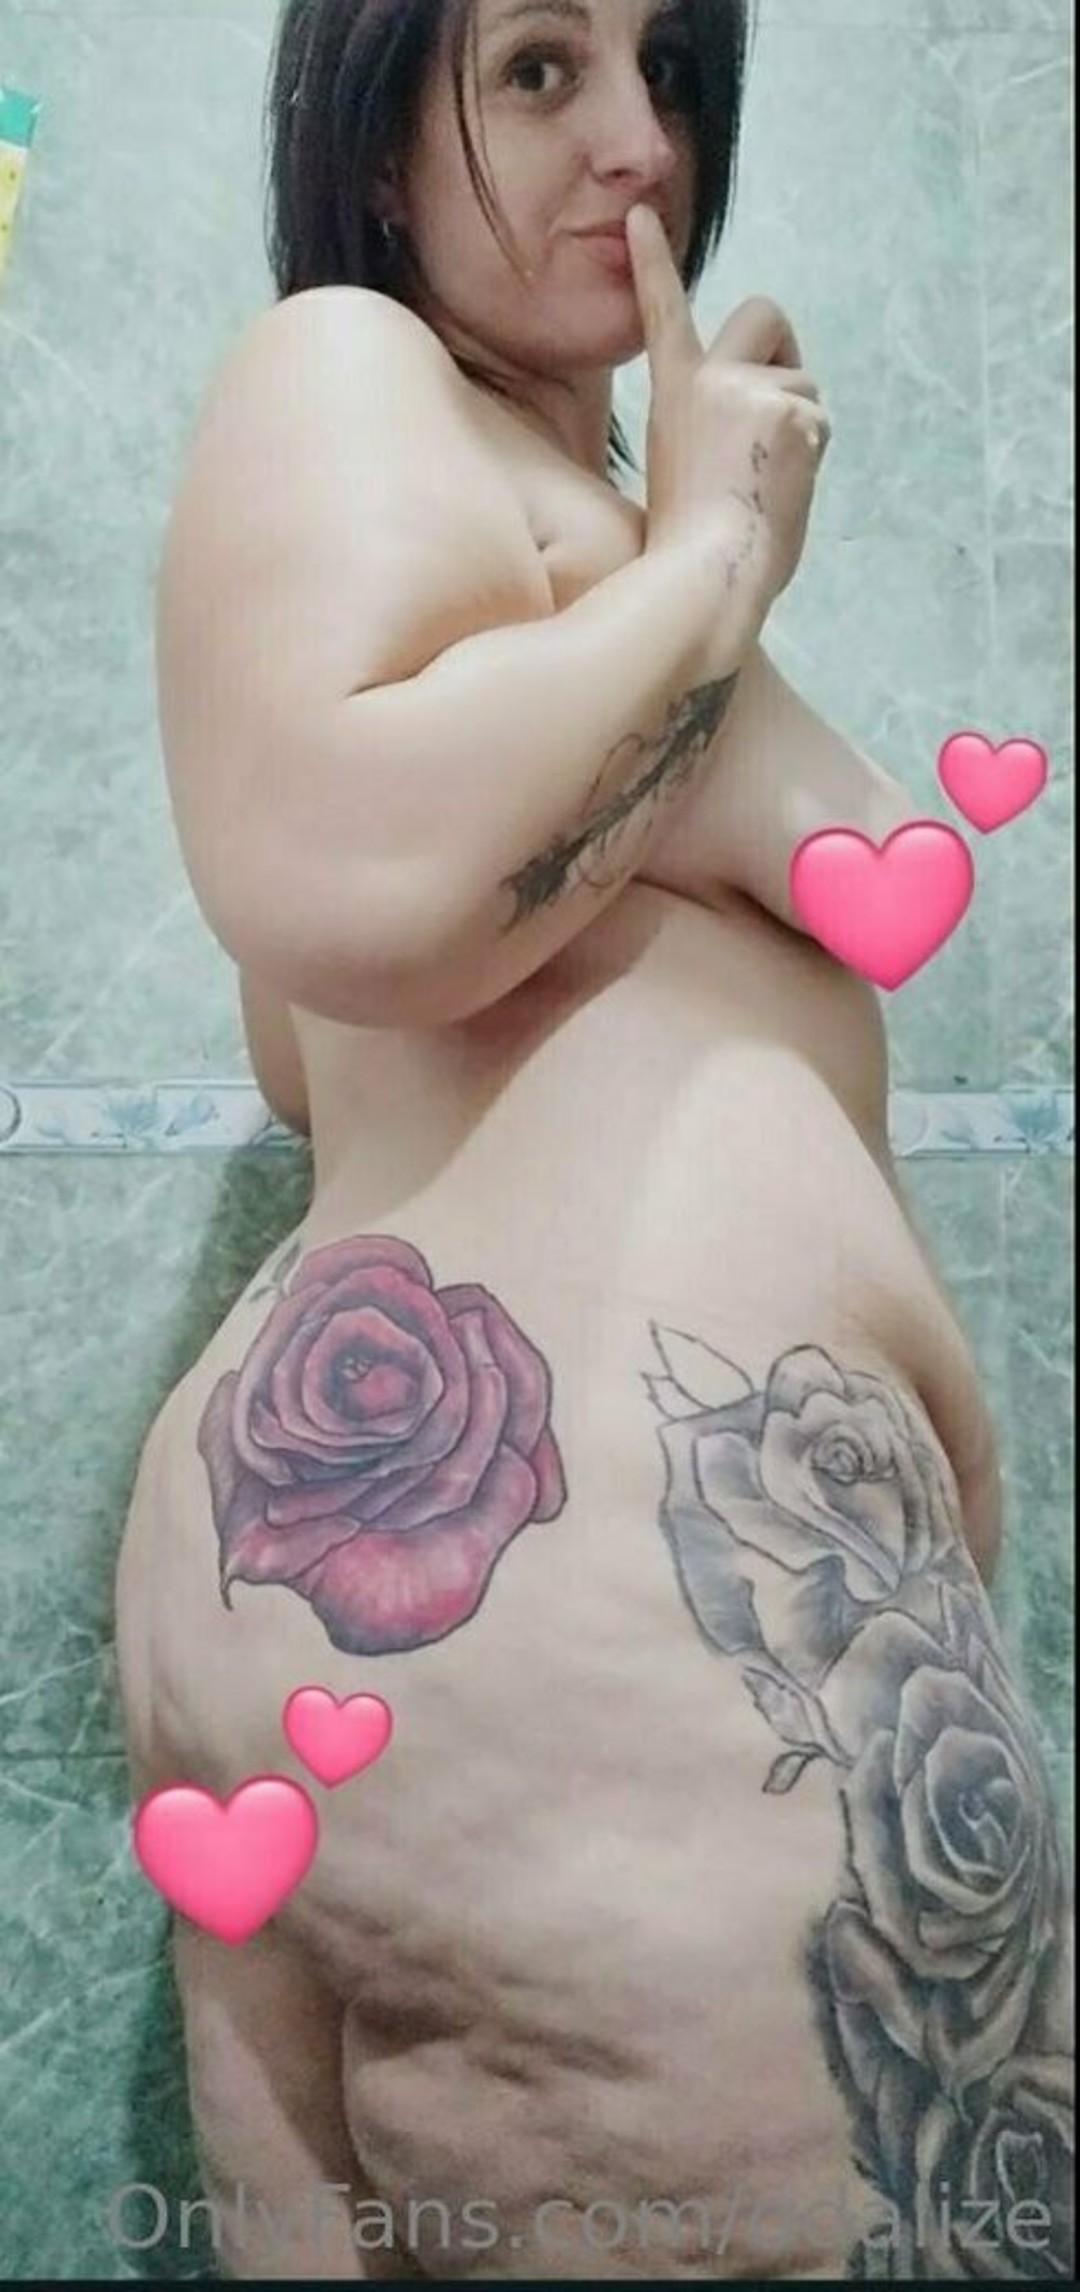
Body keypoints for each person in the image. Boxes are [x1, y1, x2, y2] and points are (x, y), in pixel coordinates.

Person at [115, 0, 1074, 2279]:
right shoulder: (348, 366)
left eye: (668, 68)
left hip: (462, 1608)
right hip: (587, 1609)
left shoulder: (517, 537)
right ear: (377, 142)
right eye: (538, 69)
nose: (641, 143)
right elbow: (341, 877)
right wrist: (720, 553)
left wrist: (666, 564)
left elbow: (342, 1025)